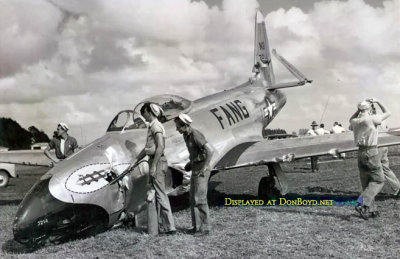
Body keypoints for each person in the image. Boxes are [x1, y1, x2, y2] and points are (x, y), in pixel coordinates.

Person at [126, 102, 176, 235]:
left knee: (160, 195)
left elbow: (160, 147)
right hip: (153, 160)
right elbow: (148, 148)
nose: (144, 118)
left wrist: (153, 166)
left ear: (149, 112)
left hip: (157, 161)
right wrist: (136, 161)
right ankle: (161, 225)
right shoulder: (152, 126)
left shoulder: (156, 126)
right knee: (156, 194)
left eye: (145, 114)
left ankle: (170, 227)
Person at [349, 99, 390, 220]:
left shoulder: (355, 121)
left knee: (366, 183)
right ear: (369, 108)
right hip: (371, 151)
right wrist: (377, 101)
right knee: (378, 180)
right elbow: (388, 112)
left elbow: (349, 121)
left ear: (359, 109)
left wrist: (358, 110)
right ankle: (361, 203)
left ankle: (371, 209)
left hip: (360, 152)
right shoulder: (372, 119)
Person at [174, 113, 214, 235]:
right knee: (193, 198)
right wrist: (191, 163)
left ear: (185, 126)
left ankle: (204, 229)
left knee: (199, 198)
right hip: (196, 168)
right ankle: (196, 226)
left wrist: (205, 166)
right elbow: (197, 152)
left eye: (178, 127)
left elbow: (210, 150)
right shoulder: (186, 135)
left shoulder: (195, 134)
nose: (177, 129)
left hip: (201, 169)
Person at [371, 104, 400, 197]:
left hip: (377, 146)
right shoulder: (381, 118)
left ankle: (370, 191)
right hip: (384, 145)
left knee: (373, 168)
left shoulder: (371, 119)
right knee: (385, 168)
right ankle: (397, 187)